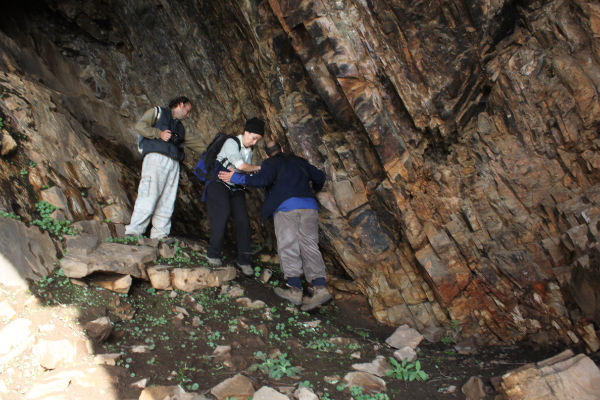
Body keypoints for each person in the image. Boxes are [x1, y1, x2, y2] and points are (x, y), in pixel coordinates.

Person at [218, 141, 331, 311]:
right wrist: (313, 190)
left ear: (266, 154)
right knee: (310, 245)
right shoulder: (299, 161)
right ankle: (320, 288)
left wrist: (235, 177)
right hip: (309, 207)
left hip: (286, 208)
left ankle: (295, 289)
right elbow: (320, 177)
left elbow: (261, 180)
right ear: (283, 149)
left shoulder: (270, 163)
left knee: (288, 245)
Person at [124, 96, 193, 240]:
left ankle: (160, 234)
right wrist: (159, 133)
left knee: (168, 199)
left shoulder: (180, 127)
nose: (188, 115)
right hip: (155, 157)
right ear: (180, 105)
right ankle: (134, 231)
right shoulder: (158, 112)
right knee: (149, 193)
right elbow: (140, 126)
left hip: (173, 163)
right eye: (187, 111)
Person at [205, 118, 265, 276]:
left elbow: (246, 173)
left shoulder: (249, 150)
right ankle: (213, 254)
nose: (254, 142)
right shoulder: (231, 142)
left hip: (235, 187)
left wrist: (249, 172)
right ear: (246, 132)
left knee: (243, 221)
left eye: (257, 140)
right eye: (253, 138)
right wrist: (259, 167)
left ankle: (243, 261)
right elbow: (241, 166)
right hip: (218, 183)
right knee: (222, 212)